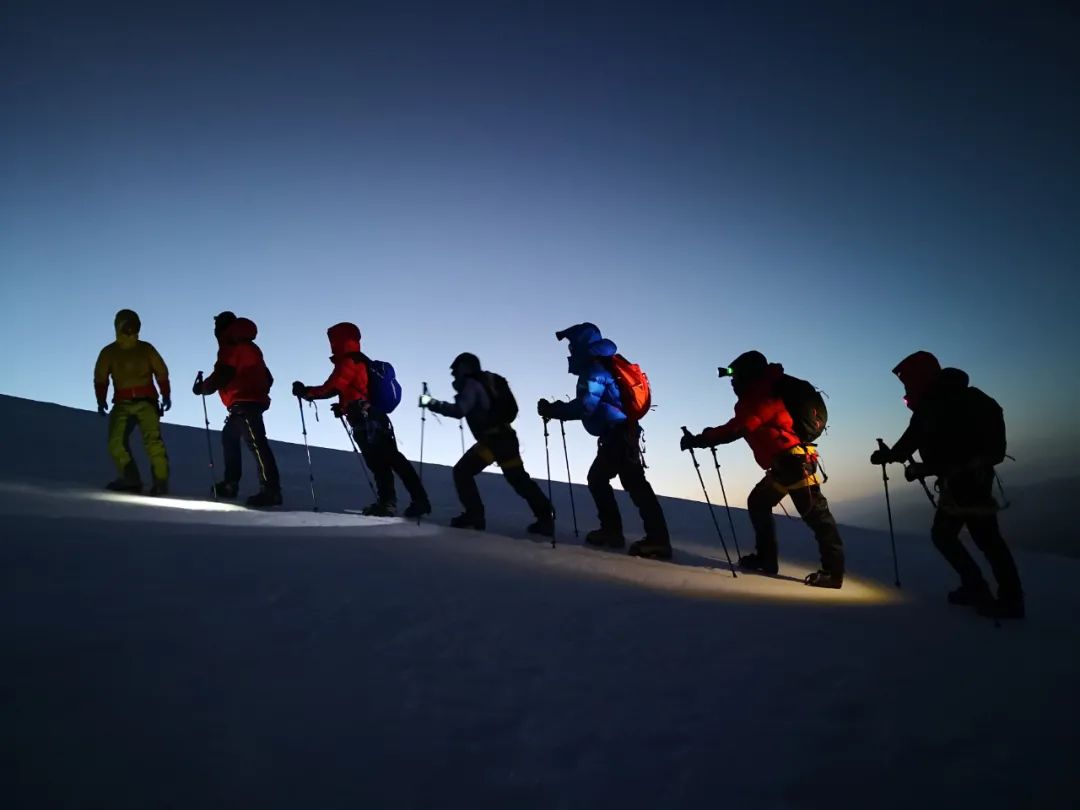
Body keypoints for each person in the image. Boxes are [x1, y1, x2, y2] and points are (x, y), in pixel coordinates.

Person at [870, 351, 1023, 618]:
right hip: (973, 480)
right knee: (982, 539)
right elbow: (917, 442)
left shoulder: (933, 407)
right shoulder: (959, 399)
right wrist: (895, 456)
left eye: (908, 381)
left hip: (964, 484)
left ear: (920, 377)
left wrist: (901, 460)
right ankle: (998, 594)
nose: (906, 387)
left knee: (960, 537)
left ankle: (992, 593)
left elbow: (924, 445)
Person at [681, 350, 845, 588]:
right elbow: (738, 426)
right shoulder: (759, 395)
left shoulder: (763, 398)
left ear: (748, 376)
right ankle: (766, 559)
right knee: (759, 502)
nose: (733, 383)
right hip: (784, 465)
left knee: (817, 516)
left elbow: (737, 428)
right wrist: (704, 438)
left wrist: (701, 439)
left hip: (793, 465)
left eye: (735, 378)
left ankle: (833, 573)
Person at [537, 323, 671, 559]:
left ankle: (623, 534)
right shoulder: (605, 364)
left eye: (572, 344)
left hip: (617, 435)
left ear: (581, 345)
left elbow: (586, 404)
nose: (570, 350)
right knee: (631, 484)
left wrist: (554, 409)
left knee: (605, 480)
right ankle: (648, 537)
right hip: (624, 433)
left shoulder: (595, 369)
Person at [292, 322, 429, 518]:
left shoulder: (349, 362)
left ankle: (409, 501)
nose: (331, 344)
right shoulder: (359, 360)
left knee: (387, 461)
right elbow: (354, 389)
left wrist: (306, 392)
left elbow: (331, 388)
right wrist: (343, 407)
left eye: (333, 340)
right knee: (385, 462)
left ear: (340, 341)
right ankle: (398, 502)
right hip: (371, 418)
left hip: (367, 420)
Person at [420, 353, 554, 535]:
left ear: (465, 368)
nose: (454, 374)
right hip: (505, 439)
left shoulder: (471, 384)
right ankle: (545, 517)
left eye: (456, 370)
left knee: (463, 471)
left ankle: (474, 515)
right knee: (518, 479)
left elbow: (460, 410)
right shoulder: (487, 382)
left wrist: (431, 403)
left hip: (492, 442)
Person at [193, 311, 282, 507]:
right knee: (231, 438)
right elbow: (268, 377)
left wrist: (203, 388)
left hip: (244, 403)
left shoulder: (230, 347)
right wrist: (257, 390)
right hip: (248, 402)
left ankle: (270, 490)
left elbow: (222, 374)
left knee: (256, 444)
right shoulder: (252, 347)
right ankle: (231, 483)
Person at [93, 309, 171, 495]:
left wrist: (165, 393)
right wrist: (101, 399)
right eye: (126, 325)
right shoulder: (109, 352)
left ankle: (160, 482)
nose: (131, 329)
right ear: (118, 326)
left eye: (134, 325)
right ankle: (130, 479)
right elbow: (100, 378)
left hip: (147, 402)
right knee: (115, 441)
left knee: (153, 442)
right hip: (122, 403)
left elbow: (161, 372)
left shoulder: (146, 349)